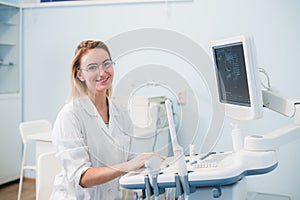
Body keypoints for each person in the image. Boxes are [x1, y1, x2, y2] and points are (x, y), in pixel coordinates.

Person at [50, 40, 165, 199]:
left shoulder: (121, 113)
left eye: (106, 64)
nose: (102, 72)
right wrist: (127, 166)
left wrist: (150, 164)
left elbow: (129, 159)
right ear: (80, 74)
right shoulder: (70, 116)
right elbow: (82, 177)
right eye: (92, 67)